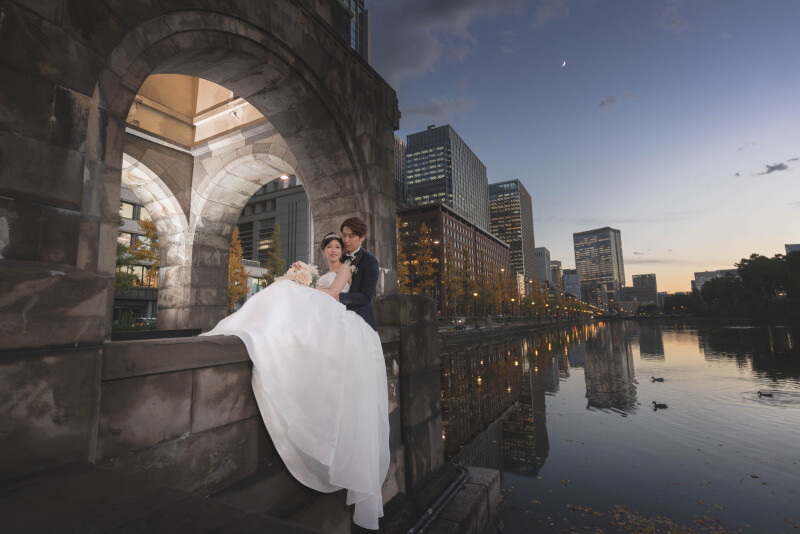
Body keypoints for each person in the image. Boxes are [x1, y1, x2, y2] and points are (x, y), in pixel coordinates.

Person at [200, 232, 390, 530]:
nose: (333, 250)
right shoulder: (322, 272)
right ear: (323, 250)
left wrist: (306, 291)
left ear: (343, 250)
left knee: (286, 292)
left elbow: (334, 294)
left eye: (337, 246)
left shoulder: (345, 269)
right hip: (323, 304)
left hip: (335, 309)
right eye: (328, 246)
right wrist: (302, 284)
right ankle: (257, 327)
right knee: (283, 291)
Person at [338, 217, 380, 331]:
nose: (346, 240)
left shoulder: (370, 262)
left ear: (362, 237)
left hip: (361, 321)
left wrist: (337, 297)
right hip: (340, 320)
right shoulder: (339, 258)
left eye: (351, 236)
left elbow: (366, 296)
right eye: (344, 235)